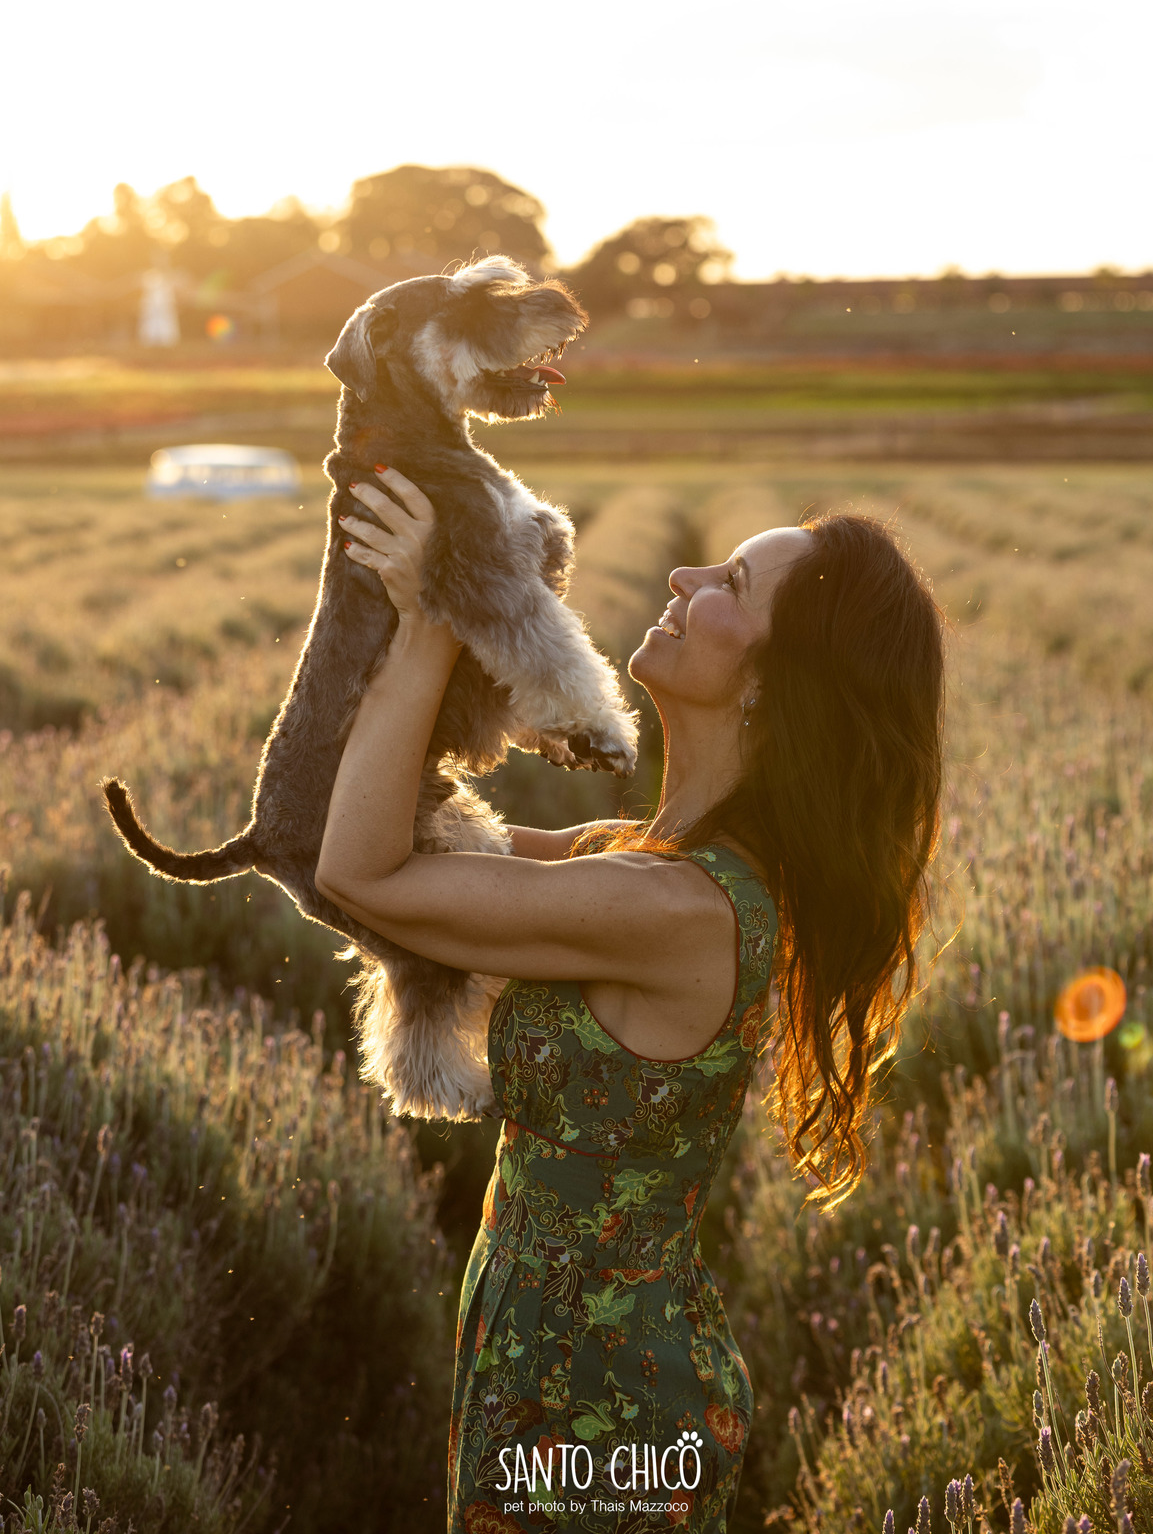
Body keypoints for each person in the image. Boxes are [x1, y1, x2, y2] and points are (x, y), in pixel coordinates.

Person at [316, 466, 946, 1534]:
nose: (680, 570)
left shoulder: (671, 907)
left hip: (605, 1406)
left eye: (732, 583)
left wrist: (439, 616)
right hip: (561, 1367)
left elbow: (364, 874)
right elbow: (391, 839)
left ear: (769, 682)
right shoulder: (637, 861)